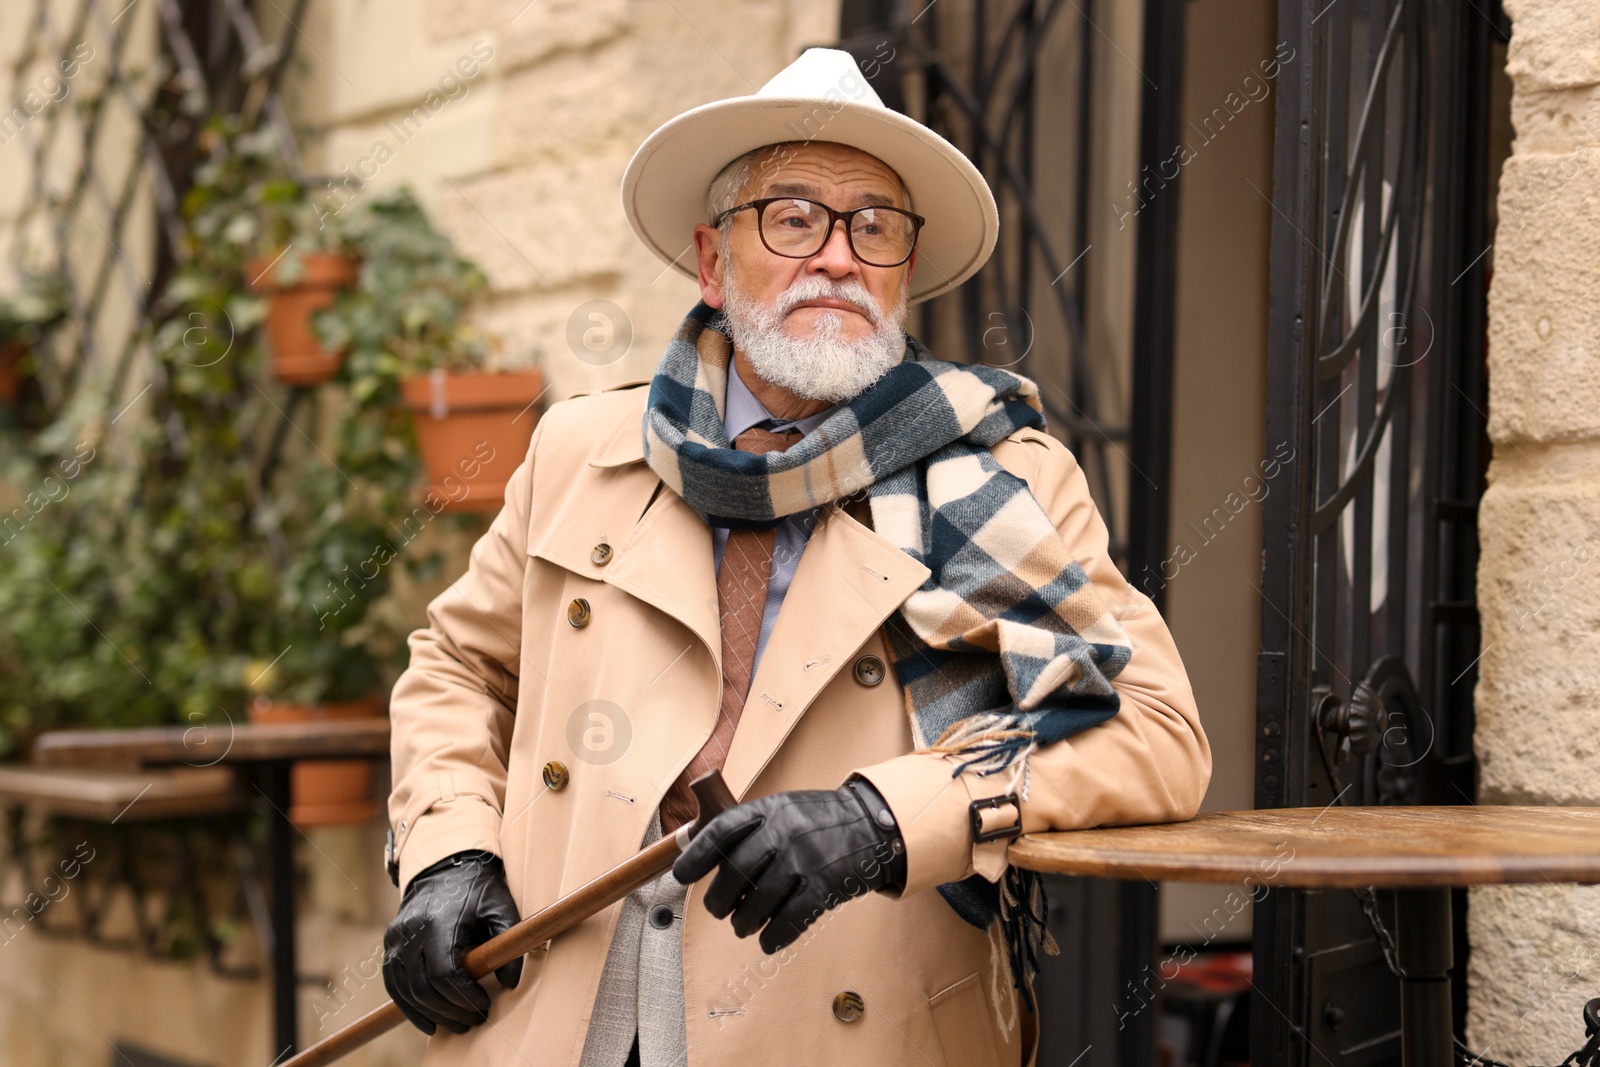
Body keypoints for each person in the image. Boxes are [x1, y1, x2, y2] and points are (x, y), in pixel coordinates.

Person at [380, 47, 1209, 1067]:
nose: (838, 256)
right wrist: (446, 850)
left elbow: (1155, 734)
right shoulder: (577, 451)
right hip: (555, 1017)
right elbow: (458, 669)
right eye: (793, 217)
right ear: (710, 262)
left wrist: (886, 816)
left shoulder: (1008, 476)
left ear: (902, 267)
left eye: (874, 226)